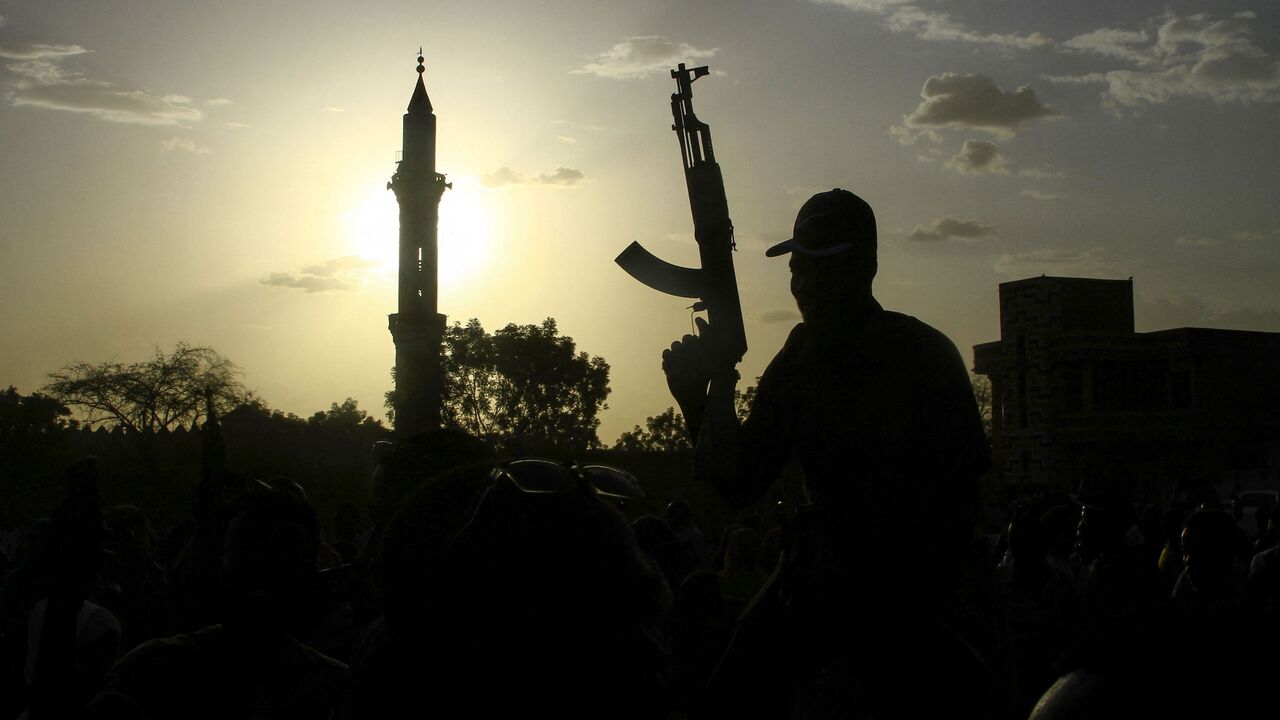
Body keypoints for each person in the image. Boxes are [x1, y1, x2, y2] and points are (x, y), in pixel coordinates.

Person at [662, 188, 990, 717]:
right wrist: (700, 401)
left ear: (865, 268)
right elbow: (740, 484)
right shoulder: (798, 361)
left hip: (908, 594)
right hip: (816, 581)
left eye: (821, 267)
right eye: (797, 269)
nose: (803, 284)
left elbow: (962, 502)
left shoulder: (924, 356)